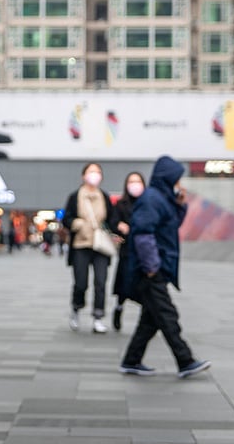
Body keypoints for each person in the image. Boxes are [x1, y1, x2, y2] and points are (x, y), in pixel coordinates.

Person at [119, 156, 211, 379]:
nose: (179, 184)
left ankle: (131, 360)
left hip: (157, 267)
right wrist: (151, 267)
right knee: (168, 315)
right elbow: (142, 234)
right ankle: (185, 360)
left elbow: (169, 227)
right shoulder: (152, 199)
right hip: (150, 271)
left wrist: (180, 206)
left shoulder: (162, 199)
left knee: (150, 320)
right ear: (167, 178)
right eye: (176, 179)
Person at [61, 163, 113, 334]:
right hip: (80, 245)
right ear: (83, 175)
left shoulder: (104, 196)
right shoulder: (75, 196)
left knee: (100, 281)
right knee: (81, 282)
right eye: (91, 172)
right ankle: (76, 308)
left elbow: (112, 219)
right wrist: (77, 224)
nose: (94, 175)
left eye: (97, 172)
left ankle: (98, 316)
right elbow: (66, 218)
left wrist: (115, 230)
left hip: (100, 246)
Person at [107, 171, 145, 332]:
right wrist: (120, 227)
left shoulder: (148, 203)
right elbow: (113, 222)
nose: (134, 185)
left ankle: (147, 316)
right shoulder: (121, 204)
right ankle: (119, 308)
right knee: (124, 284)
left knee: (145, 286)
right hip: (127, 250)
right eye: (131, 182)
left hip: (144, 251)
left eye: (137, 181)